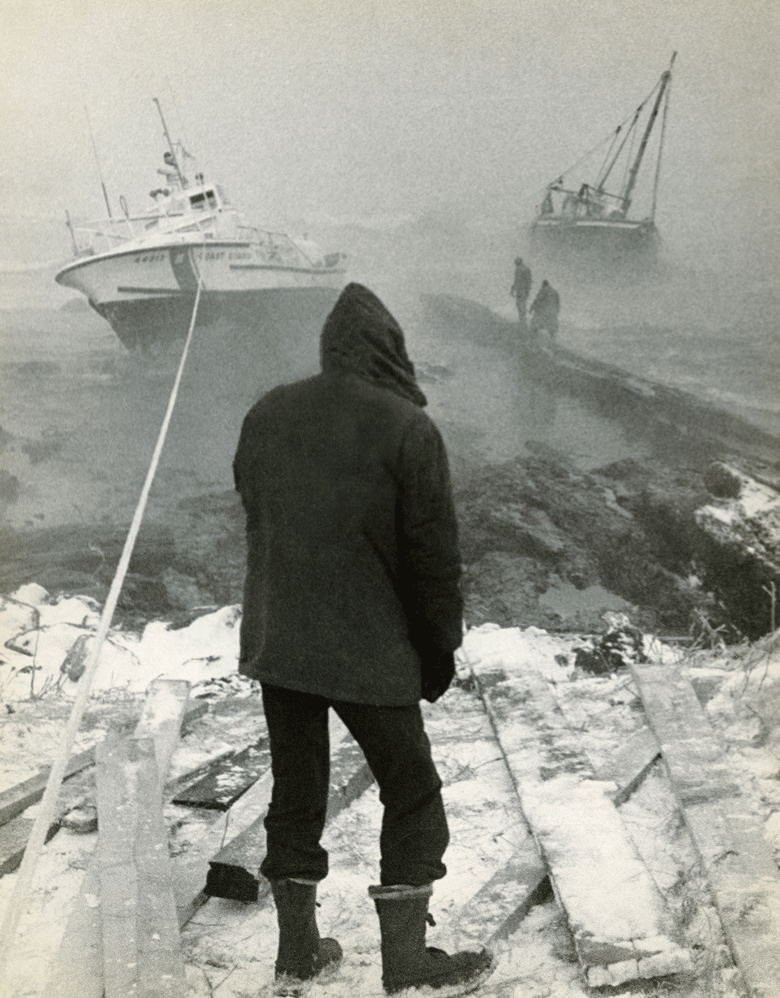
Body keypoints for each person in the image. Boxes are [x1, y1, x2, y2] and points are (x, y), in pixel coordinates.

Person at [233, 283, 494, 997]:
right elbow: (432, 557)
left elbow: (254, 504)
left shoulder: (267, 411)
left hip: (280, 638)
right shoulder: (409, 428)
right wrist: (438, 649)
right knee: (412, 792)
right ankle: (407, 963)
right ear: (391, 349)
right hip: (367, 646)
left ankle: (298, 952)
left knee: (297, 787)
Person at [529, 278, 560, 347]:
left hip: (544, 312)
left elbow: (537, 300)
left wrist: (531, 308)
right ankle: (552, 345)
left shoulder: (543, 290)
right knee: (551, 330)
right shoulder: (555, 292)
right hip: (553, 312)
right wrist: (556, 312)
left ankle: (533, 342)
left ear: (543, 285)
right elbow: (558, 304)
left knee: (534, 325)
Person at [510, 257, 532, 332]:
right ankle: (522, 320)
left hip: (522, 290)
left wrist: (513, 289)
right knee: (520, 304)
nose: (515, 264)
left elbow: (528, 281)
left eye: (516, 262)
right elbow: (516, 280)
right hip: (521, 290)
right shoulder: (520, 269)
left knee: (521, 304)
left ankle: (522, 321)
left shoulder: (524, 269)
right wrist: (513, 289)